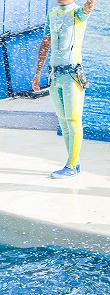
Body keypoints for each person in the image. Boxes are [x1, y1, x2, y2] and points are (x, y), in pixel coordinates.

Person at [32, 0, 97, 178]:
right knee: (63, 121)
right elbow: (45, 44)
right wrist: (37, 73)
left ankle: (70, 166)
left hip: (72, 76)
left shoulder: (78, 13)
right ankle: (74, 162)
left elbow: (89, 7)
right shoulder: (52, 14)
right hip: (55, 76)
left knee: (73, 120)